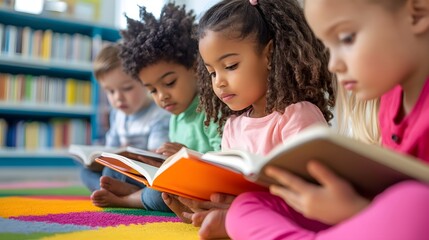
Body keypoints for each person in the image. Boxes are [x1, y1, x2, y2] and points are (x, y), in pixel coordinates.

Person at [225, 0, 429, 239]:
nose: (333, 64)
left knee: (416, 201)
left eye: (346, 38)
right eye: (327, 47)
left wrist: (355, 211)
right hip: (369, 222)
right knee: (247, 205)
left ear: (417, 14)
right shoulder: (391, 101)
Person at [165, 0, 336, 238]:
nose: (219, 82)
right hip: (246, 209)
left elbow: (312, 194)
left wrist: (241, 207)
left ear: (269, 55)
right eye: (212, 72)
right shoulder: (233, 126)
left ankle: (235, 222)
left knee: (242, 210)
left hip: (294, 213)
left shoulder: (297, 116)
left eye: (230, 66)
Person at [95, 3, 223, 213]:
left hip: (204, 187)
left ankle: (128, 199)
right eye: (152, 90)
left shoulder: (210, 110)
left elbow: (226, 161)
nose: (162, 96)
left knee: (161, 195)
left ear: (194, 69)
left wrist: (189, 155)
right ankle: (134, 190)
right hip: (178, 181)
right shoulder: (175, 116)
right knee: (109, 171)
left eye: (170, 83)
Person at [79, 43, 172, 211]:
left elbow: (156, 160)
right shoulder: (117, 114)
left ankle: (126, 192)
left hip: (145, 175)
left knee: (110, 173)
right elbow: (111, 148)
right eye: (110, 91)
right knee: (86, 172)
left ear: (145, 82)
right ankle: (122, 191)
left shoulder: (159, 115)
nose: (118, 98)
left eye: (127, 88)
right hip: (120, 172)